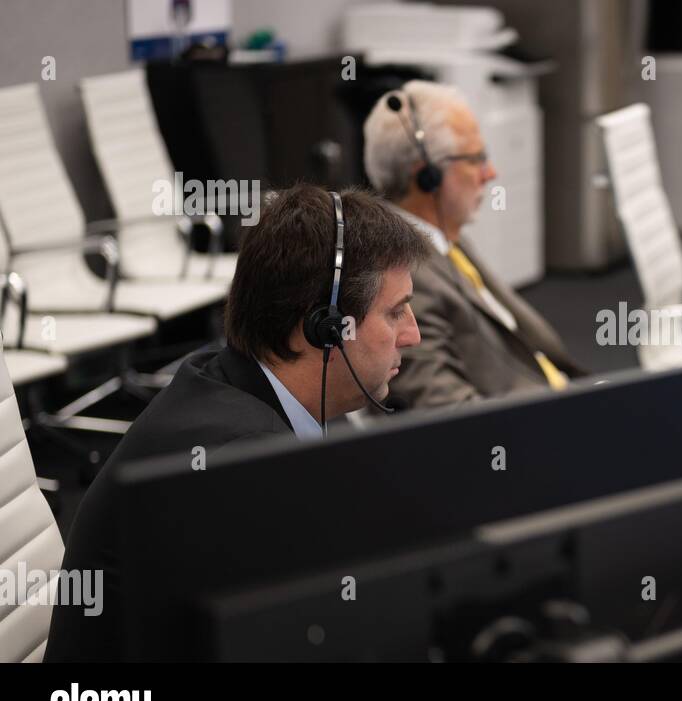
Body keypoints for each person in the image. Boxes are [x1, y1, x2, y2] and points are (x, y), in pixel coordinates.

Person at [44, 185, 429, 661]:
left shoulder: (223, 374)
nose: (412, 334)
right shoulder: (241, 466)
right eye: (395, 313)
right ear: (323, 327)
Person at [363, 81, 584, 409]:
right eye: (476, 159)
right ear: (428, 177)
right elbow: (441, 408)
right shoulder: (401, 276)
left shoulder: (442, 239)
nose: (490, 173)